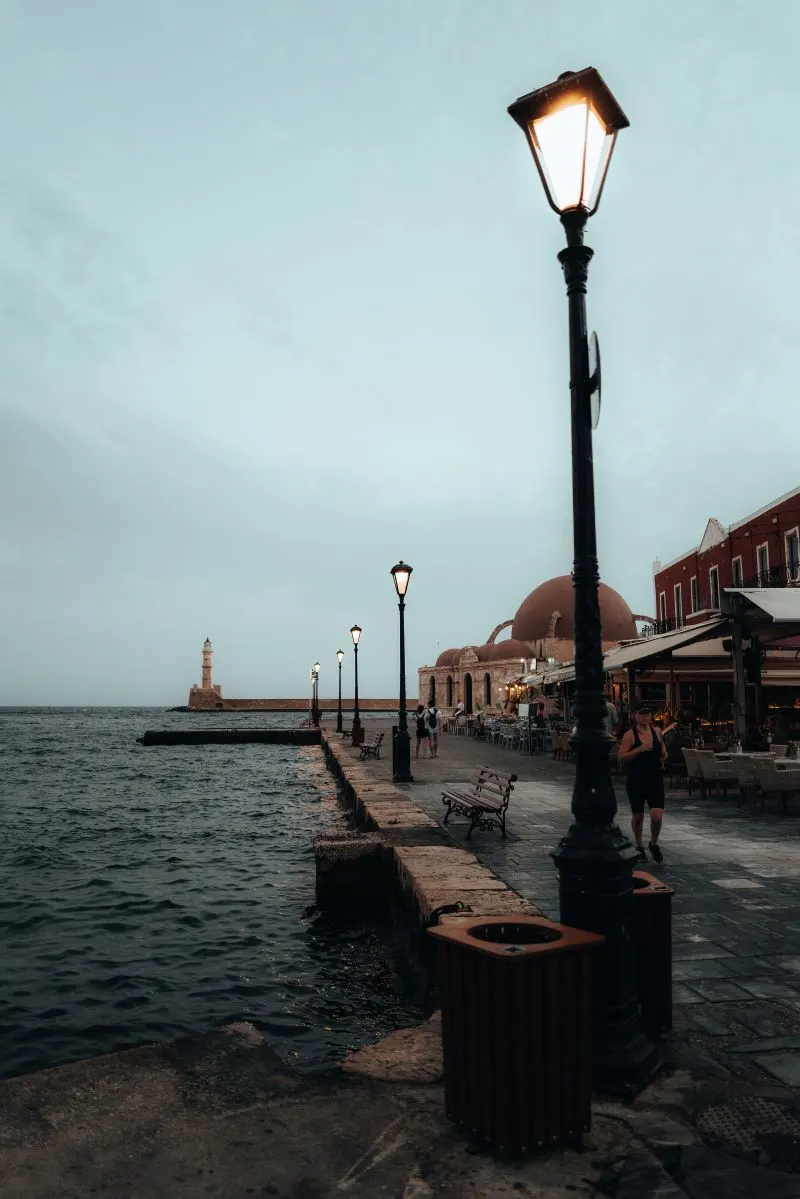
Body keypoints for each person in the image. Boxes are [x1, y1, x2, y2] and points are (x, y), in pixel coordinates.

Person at [618, 705, 667, 863]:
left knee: (656, 815)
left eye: (648, 714)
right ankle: (639, 846)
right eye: (642, 714)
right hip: (636, 779)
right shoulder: (629, 735)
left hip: (655, 778)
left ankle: (653, 843)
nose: (645, 717)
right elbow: (621, 757)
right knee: (638, 815)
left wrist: (664, 754)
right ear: (635, 716)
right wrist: (639, 749)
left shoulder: (657, 732)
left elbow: (663, 749)